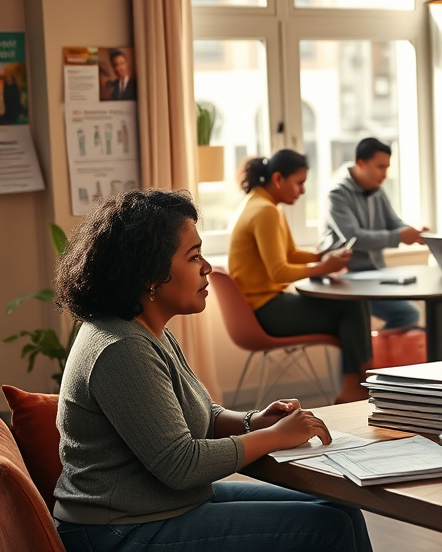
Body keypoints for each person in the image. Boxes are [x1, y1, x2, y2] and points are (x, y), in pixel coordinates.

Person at [51, 189, 372, 552]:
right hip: (118, 530)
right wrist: (276, 436)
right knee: (327, 528)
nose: (208, 267)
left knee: (342, 508)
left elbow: (200, 414)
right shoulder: (121, 347)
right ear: (150, 273)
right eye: (194, 257)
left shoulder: (148, 332)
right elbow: (181, 464)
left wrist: (254, 421)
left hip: (161, 506)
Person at [228, 150, 373, 403]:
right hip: (267, 312)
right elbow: (279, 271)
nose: (303, 190)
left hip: (262, 307)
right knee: (351, 308)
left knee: (351, 308)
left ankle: (355, 384)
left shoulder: (261, 203)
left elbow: (290, 253)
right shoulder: (266, 211)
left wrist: (323, 257)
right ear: (278, 179)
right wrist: (325, 268)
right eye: (299, 182)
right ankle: (361, 381)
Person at [321, 137, 426, 330]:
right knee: (362, 327)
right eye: (380, 167)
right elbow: (354, 238)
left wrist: (413, 233)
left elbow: (393, 223)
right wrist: (399, 237)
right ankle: (372, 356)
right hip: (343, 280)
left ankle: (377, 355)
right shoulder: (337, 194)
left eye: (387, 167)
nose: (385, 174)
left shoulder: (377, 190)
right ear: (360, 163)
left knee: (409, 313)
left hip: (373, 276)